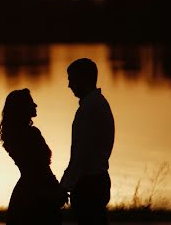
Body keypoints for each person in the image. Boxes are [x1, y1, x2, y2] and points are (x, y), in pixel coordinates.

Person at [0, 88, 67, 225]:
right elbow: (41, 168)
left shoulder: (12, 136)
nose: (35, 105)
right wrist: (56, 189)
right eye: (31, 103)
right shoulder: (31, 134)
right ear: (22, 108)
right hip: (39, 193)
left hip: (25, 192)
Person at [60, 58, 114, 225]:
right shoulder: (98, 103)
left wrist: (64, 186)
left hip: (88, 184)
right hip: (97, 179)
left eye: (71, 79)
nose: (69, 85)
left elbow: (81, 154)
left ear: (82, 79)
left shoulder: (89, 109)